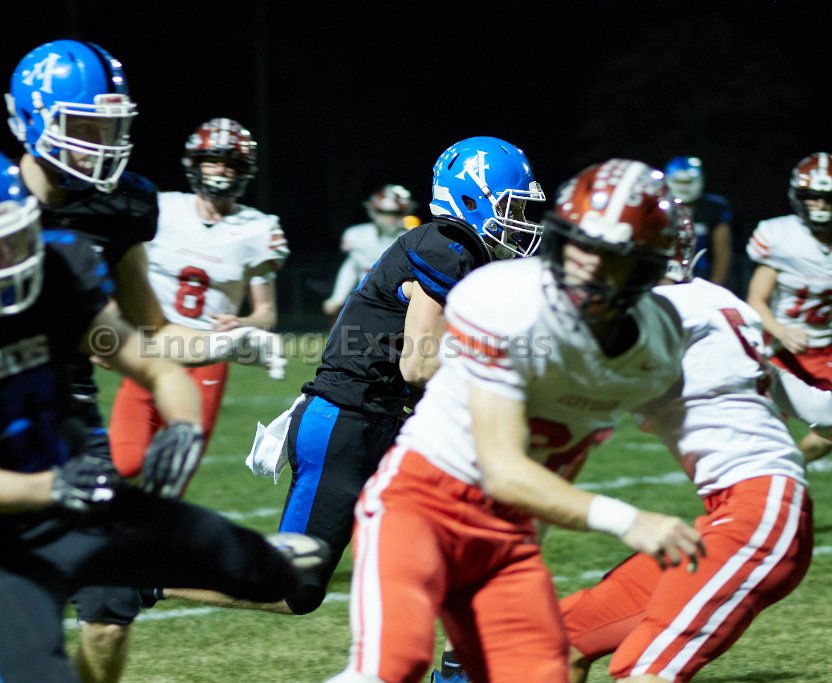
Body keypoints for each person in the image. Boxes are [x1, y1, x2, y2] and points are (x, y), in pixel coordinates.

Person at [0, 141, 327, 683]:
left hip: (83, 477)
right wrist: (59, 487)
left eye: (12, 236)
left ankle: (255, 559)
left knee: (264, 572)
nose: (3, 257)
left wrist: (187, 419)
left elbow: (152, 358)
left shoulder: (59, 273)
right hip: (4, 531)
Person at [0, 41, 283, 683]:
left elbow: (149, 333)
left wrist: (228, 342)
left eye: (111, 126)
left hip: (74, 410)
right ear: (32, 120)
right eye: (84, 126)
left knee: (110, 610)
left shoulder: (123, 205)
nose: (103, 143)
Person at [322, 159, 705, 683]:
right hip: (425, 506)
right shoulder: (504, 300)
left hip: (506, 537)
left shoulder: (656, 350)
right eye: (579, 246)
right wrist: (627, 520)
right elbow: (502, 470)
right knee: (392, 664)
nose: (586, 269)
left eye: (611, 258)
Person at [166, 136, 547, 617]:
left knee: (464, 541)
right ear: (472, 198)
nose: (520, 221)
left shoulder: (455, 252)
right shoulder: (447, 246)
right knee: (291, 589)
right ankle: (147, 577)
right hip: (347, 424)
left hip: (381, 422)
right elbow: (418, 365)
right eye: (513, 206)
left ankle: (459, 655)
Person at [561, 207, 819, 683]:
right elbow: (814, 406)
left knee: (644, 668)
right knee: (562, 638)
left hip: (758, 512)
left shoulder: (660, 312)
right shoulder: (716, 300)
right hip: (735, 512)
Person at [108, 117, 289, 478]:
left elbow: (266, 313)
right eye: (212, 160)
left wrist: (244, 323)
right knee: (124, 462)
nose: (221, 170)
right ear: (194, 163)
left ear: (245, 171)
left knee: (175, 469)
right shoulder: (161, 208)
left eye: (231, 163)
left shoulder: (259, 228)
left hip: (208, 353)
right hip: (150, 344)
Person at [746, 152, 832, 466]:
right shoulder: (781, 236)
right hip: (779, 349)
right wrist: (781, 331)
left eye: (828, 198)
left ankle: (788, 466)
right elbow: (756, 299)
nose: (820, 205)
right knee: (760, 434)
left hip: (826, 350)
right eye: (812, 197)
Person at [322, 184, 419, 317]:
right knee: (346, 326)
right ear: (373, 211)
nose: (389, 218)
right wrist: (337, 298)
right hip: (364, 301)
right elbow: (352, 266)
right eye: (383, 212)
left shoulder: (413, 238)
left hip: (401, 305)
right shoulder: (356, 235)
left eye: (395, 213)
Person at [663, 156, 734, 288]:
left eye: (688, 182)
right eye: (678, 182)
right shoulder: (660, 207)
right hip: (664, 277)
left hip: (701, 279)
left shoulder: (713, 208)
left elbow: (723, 251)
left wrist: (714, 286)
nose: (683, 187)